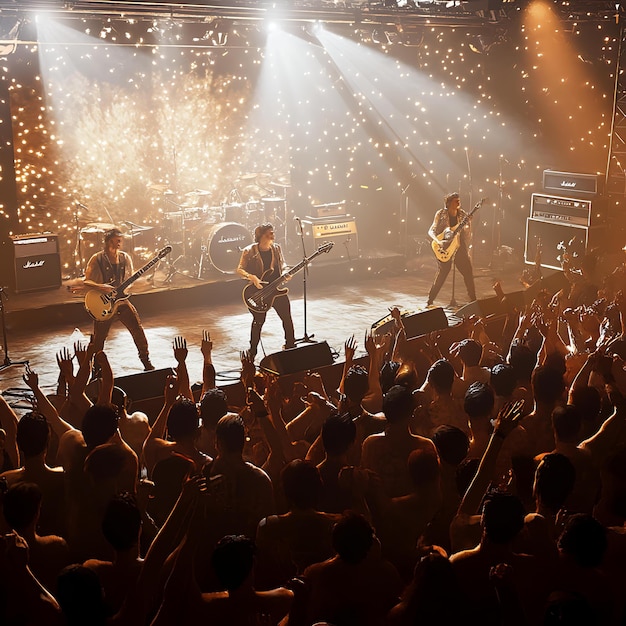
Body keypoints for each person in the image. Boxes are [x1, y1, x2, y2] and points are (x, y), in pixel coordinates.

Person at [83, 227, 154, 371]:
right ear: (109, 241)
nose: (120, 242)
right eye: (117, 239)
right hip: (105, 304)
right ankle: (96, 369)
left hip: (121, 301)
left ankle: (146, 361)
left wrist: (132, 285)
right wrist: (101, 287)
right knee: (99, 339)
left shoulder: (124, 257)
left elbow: (130, 278)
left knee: (137, 330)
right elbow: (87, 281)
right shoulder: (97, 258)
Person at [237, 223, 295, 359]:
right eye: (270, 233)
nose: (273, 235)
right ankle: (252, 351)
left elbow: (283, 264)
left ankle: (291, 345)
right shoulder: (249, 251)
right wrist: (252, 277)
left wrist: (286, 273)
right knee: (258, 321)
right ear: (262, 235)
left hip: (276, 289)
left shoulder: (276, 248)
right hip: (259, 292)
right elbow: (239, 269)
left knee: (286, 317)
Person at [427, 192, 477, 307]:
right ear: (449, 203)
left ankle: (473, 299)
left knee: (468, 272)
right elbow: (431, 230)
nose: (459, 202)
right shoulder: (440, 214)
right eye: (456, 200)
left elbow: (467, 231)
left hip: (459, 246)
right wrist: (438, 241)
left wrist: (469, 221)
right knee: (443, 273)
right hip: (444, 246)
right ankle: (430, 299)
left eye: (459, 200)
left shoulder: (462, 214)